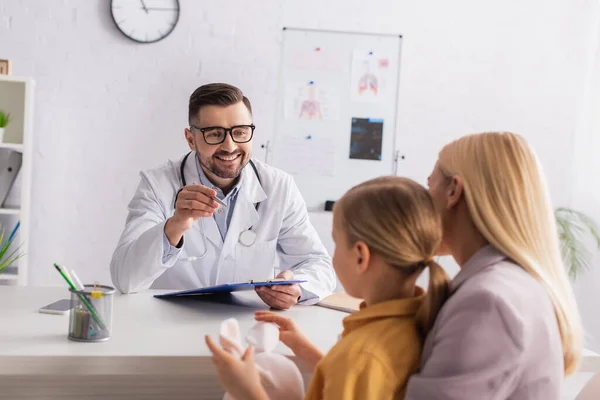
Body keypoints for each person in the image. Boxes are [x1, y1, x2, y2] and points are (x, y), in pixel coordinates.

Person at [205, 176, 451, 400]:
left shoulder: (362, 355)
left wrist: (248, 391)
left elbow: (355, 371)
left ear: (360, 257)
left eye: (336, 242)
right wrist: (305, 349)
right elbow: (353, 384)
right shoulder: (411, 321)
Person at [110, 83, 336, 309]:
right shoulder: (158, 185)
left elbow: (318, 264)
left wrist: (296, 289)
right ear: (191, 139)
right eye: (215, 134)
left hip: (247, 329)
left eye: (240, 132)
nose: (230, 146)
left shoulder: (279, 186)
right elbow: (126, 279)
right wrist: (176, 224)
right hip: (172, 324)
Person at [405, 132, 584, 399]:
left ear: (453, 191)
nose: (421, 206)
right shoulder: (511, 282)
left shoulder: (487, 302)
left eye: (429, 186)